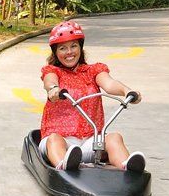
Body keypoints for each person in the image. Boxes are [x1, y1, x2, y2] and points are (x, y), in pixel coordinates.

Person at [39, 20, 146, 171]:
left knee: (114, 138)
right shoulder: (52, 71)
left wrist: (127, 91)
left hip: (90, 140)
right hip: (62, 140)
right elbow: (49, 82)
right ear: (55, 52)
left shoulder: (93, 70)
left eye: (74, 46)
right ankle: (64, 167)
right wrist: (53, 89)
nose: (69, 52)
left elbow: (109, 84)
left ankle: (127, 166)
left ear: (80, 48)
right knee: (54, 140)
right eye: (63, 48)